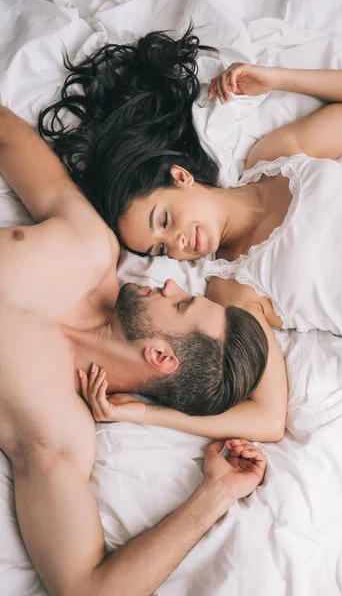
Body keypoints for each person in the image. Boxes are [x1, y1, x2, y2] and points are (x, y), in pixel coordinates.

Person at [0, 104, 270, 595]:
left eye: (183, 303)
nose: (168, 282)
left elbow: (87, 590)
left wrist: (217, 492)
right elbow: (5, 132)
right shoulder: (91, 245)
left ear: (162, 357)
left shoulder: (58, 435)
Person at [39, 27, 342, 367]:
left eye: (163, 221)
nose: (176, 244)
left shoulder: (276, 159)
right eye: (162, 250)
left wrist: (277, 78)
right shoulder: (228, 291)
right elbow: (263, 395)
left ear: (180, 177)